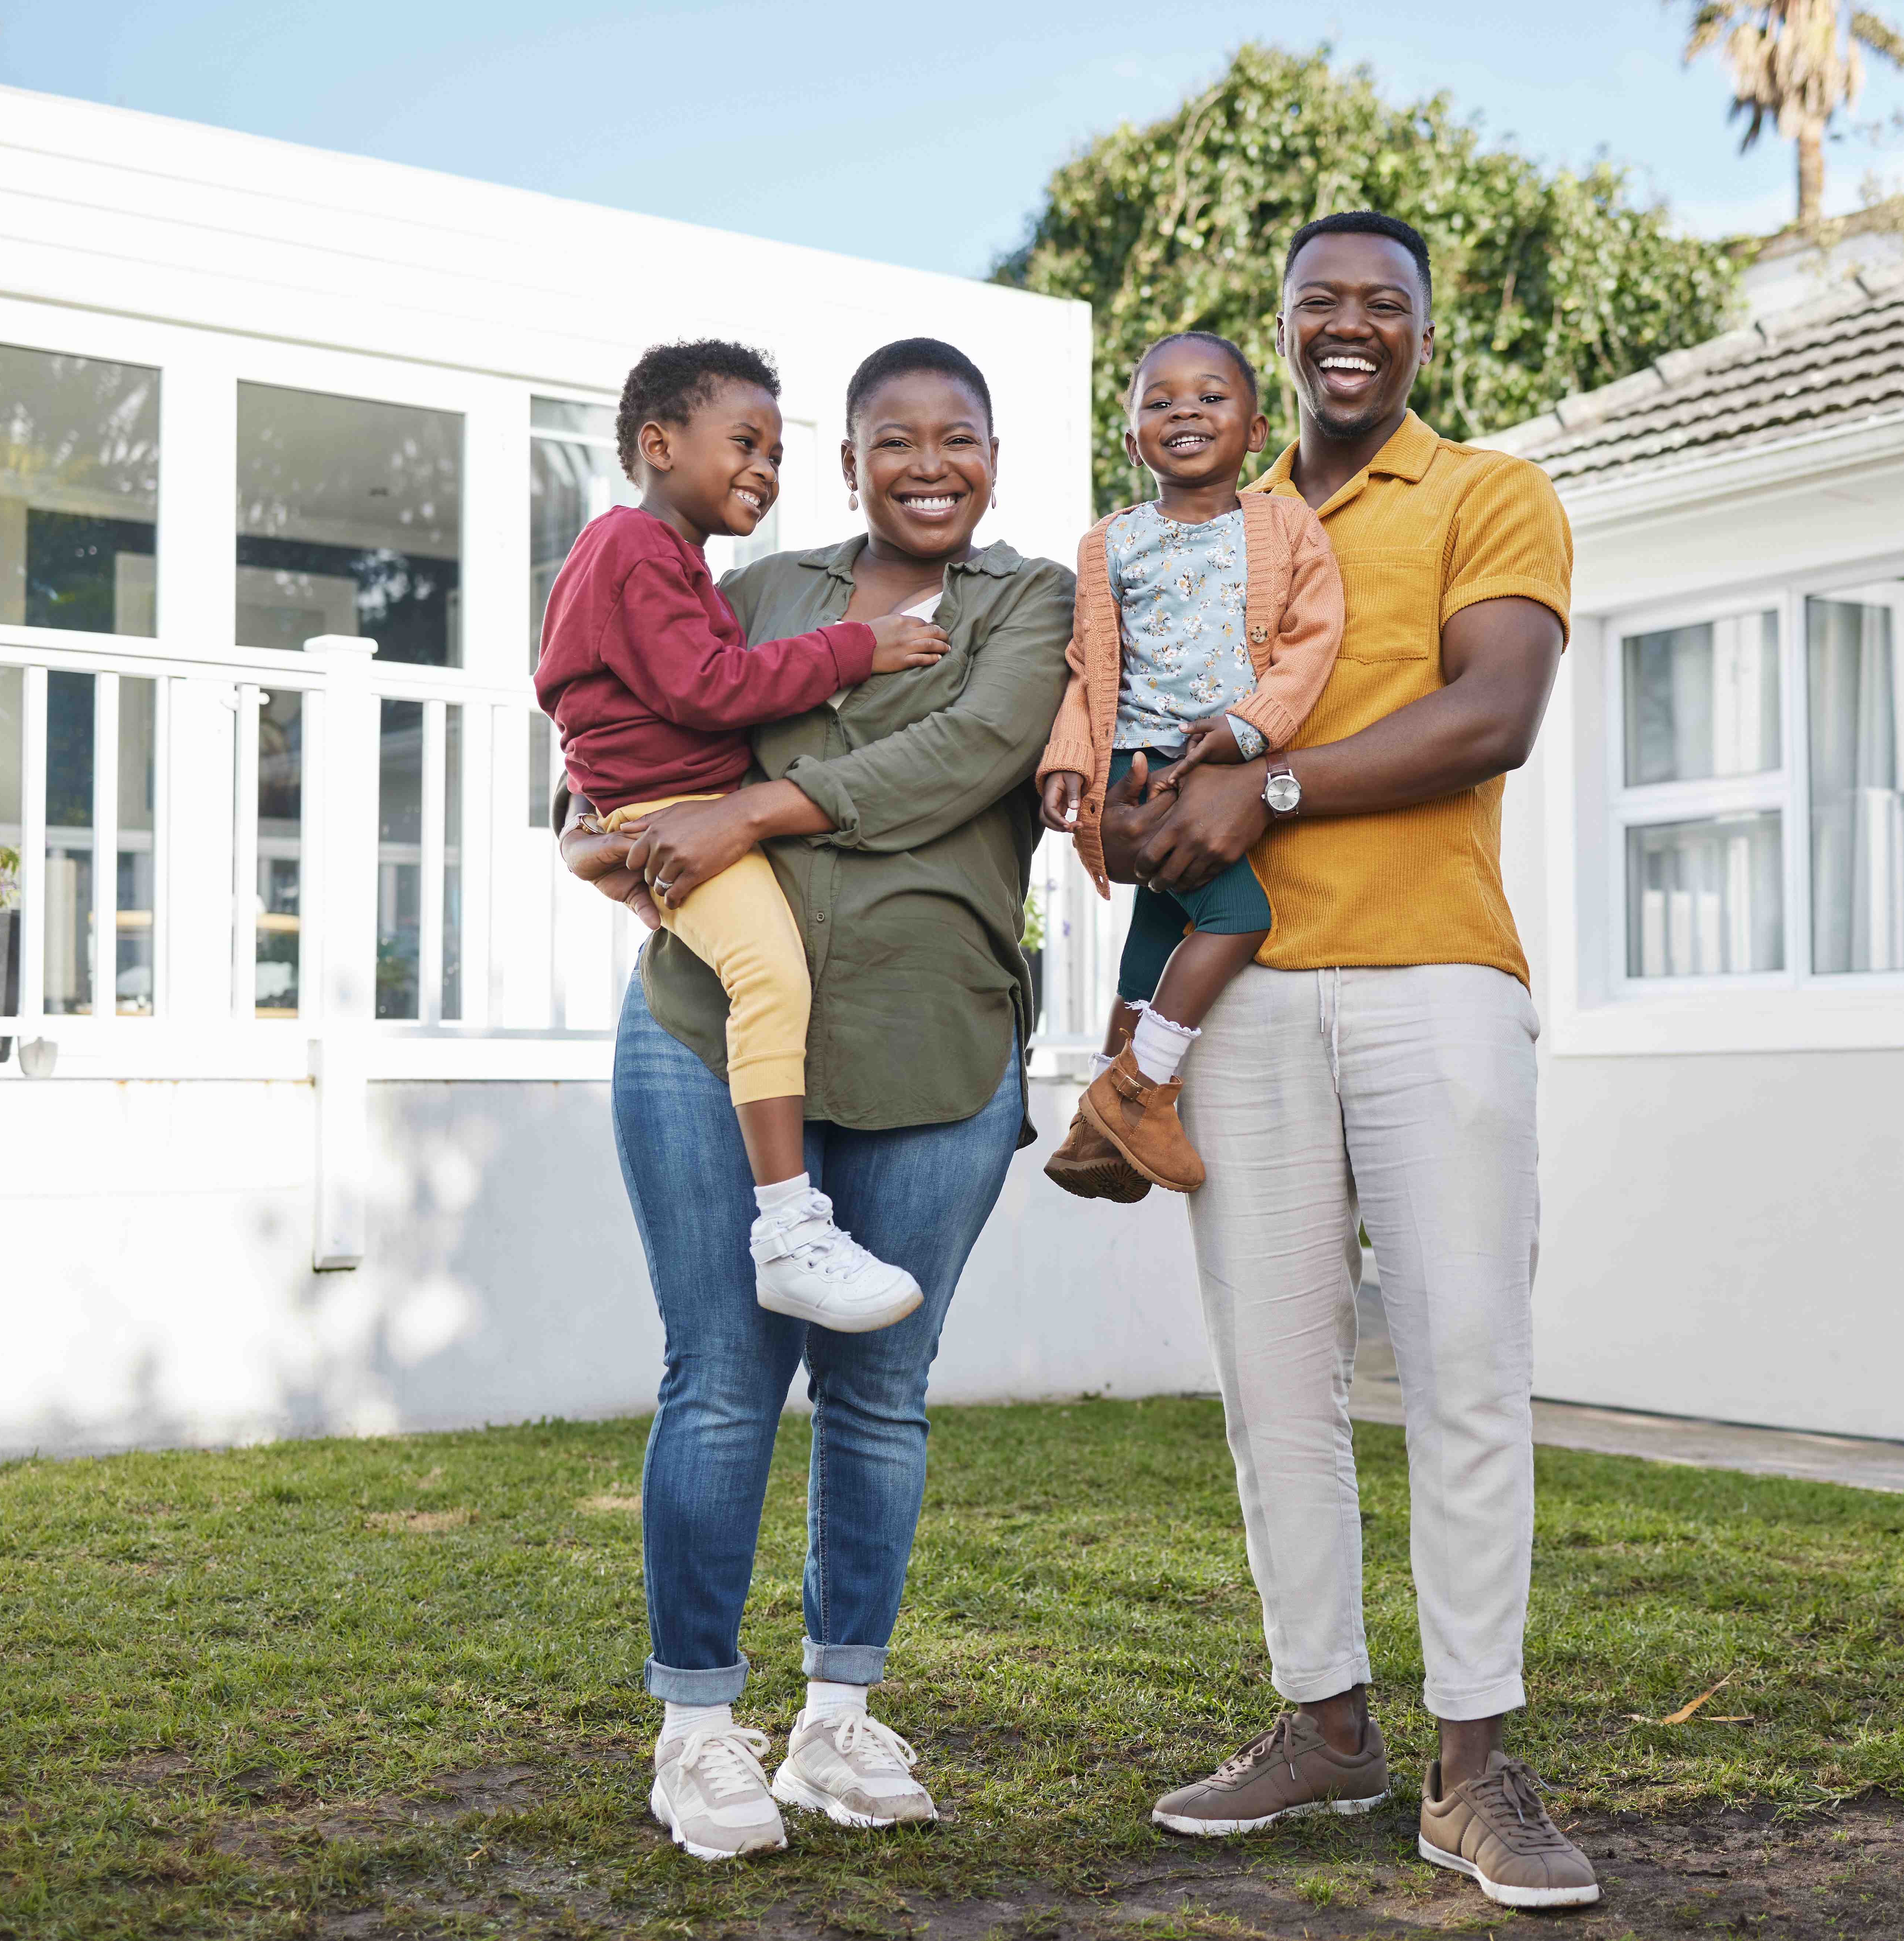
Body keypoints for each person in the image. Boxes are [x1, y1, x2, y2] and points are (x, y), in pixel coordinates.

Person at [1111, 214, 1601, 1910]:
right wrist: (1123, 806)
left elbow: (1495, 714)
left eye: (1376, 306)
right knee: (1271, 1380)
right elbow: (1138, 729)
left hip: (1430, 980)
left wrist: (1282, 787)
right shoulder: (1213, 520)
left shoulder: (1485, 494)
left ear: (1417, 332)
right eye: (1313, 301)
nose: (1344, 328)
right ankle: (1321, 1719)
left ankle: (1474, 1772)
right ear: (1276, 325)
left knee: (1461, 1361)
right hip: (1231, 992)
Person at [556, 338, 1072, 1863]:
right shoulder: (761, 589)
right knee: (718, 1383)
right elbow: (620, 727)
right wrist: (609, 838)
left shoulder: (1027, 604)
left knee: (879, 1395)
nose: (928, 461)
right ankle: (699, 1735)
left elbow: (966, 756)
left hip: (932, 1045)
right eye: (890, 437)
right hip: (710, 1033)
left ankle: (838, 1722)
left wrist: (754, 810)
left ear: (992, 455)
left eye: (958, 435)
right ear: (846, 462)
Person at [536, 340, 953, 1334]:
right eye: (743, 444)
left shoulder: (666, 562)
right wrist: (862, 647)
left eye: (775, 453)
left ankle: (791, 1221)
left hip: (651, 809)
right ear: (658, 442)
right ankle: (789, 1229)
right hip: (666, 811)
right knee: (771, 976)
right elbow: (707, 689)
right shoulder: (636, 548)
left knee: (771, 968)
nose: (763, 471)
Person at [1032, 330, 1341, 1199]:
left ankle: (1105, 1100)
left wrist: (1250, 731)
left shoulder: (1286, 526)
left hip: (1220, 756)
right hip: (1137, 763)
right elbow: (1089, 668)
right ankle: (1138, 1092)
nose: (1185, 413)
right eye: (1159, 402)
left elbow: (1311, 643)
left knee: (1163, 928)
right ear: (1132, 441)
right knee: (1238, 917)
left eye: (1210, 397)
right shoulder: (1110, 544)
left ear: (1255, 430)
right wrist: (1067, 756)